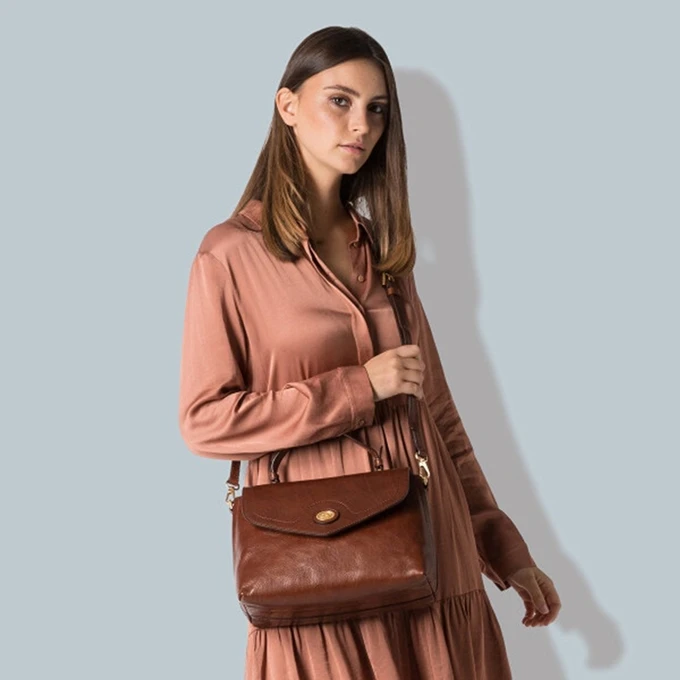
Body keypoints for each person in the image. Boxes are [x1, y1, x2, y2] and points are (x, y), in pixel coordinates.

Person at [177, 24, 561, 680]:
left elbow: (437, 413)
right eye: (340, 101)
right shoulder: (230, 255)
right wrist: (360, 387)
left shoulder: (383, 252)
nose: (361, 124)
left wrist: (504, 549)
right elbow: (205, 421)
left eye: (377, 109)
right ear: (288, 106)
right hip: (322, 567)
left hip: (433, 562)